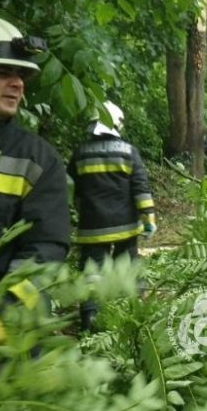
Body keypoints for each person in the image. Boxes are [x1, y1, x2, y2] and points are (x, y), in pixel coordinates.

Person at [0, 15, 70, 347]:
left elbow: (45, 250)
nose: (18, 83)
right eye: (3, 72)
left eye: (21, 74)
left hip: (1, 343)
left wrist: (2, 315)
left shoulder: (37, 161)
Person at [66, 100, 156, 332]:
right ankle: (134, 312)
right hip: (125, 225)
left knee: (91, 270)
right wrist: (149, 219)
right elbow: (141, 189)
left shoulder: (80, 153)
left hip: (92, 227)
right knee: (128, 265)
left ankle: (90, 318)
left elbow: (71, 189)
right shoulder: (128, 152)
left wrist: (80, 212)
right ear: (117, 123)